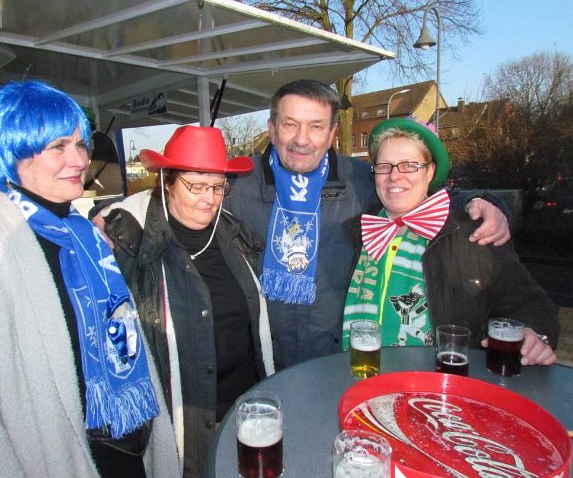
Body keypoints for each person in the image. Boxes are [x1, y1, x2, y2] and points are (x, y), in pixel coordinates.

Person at [0, 80, 179, 478]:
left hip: (127, 453)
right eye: (58, 146)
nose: (80, 160)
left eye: (80, 144)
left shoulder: (84, 235)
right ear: (13, 152)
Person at [224, 79, 511, 369]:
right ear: (272, 129)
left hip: (336, 360)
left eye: (316, 126)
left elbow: (420, 195)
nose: (302, 139)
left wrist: (482, 202)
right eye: (290, 124)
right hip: (265, 361)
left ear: (332, 134)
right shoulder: (235, 185)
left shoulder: (360, 179)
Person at [99, 126, 275, 478]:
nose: (209, 198)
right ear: (167, 181)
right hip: (183, 426)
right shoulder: (128, 244)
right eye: (196, 185)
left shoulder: (235, 234)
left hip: (246, 415)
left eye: (218, 186)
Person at [341, 117, 559, 365]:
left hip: (437, 381)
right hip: (357, 373)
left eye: (409, 165)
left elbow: (531, 302)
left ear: (430, 171)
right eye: (384, 166)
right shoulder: (355, 231)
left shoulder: (471, 235)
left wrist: (534, 333)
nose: (394, 176)